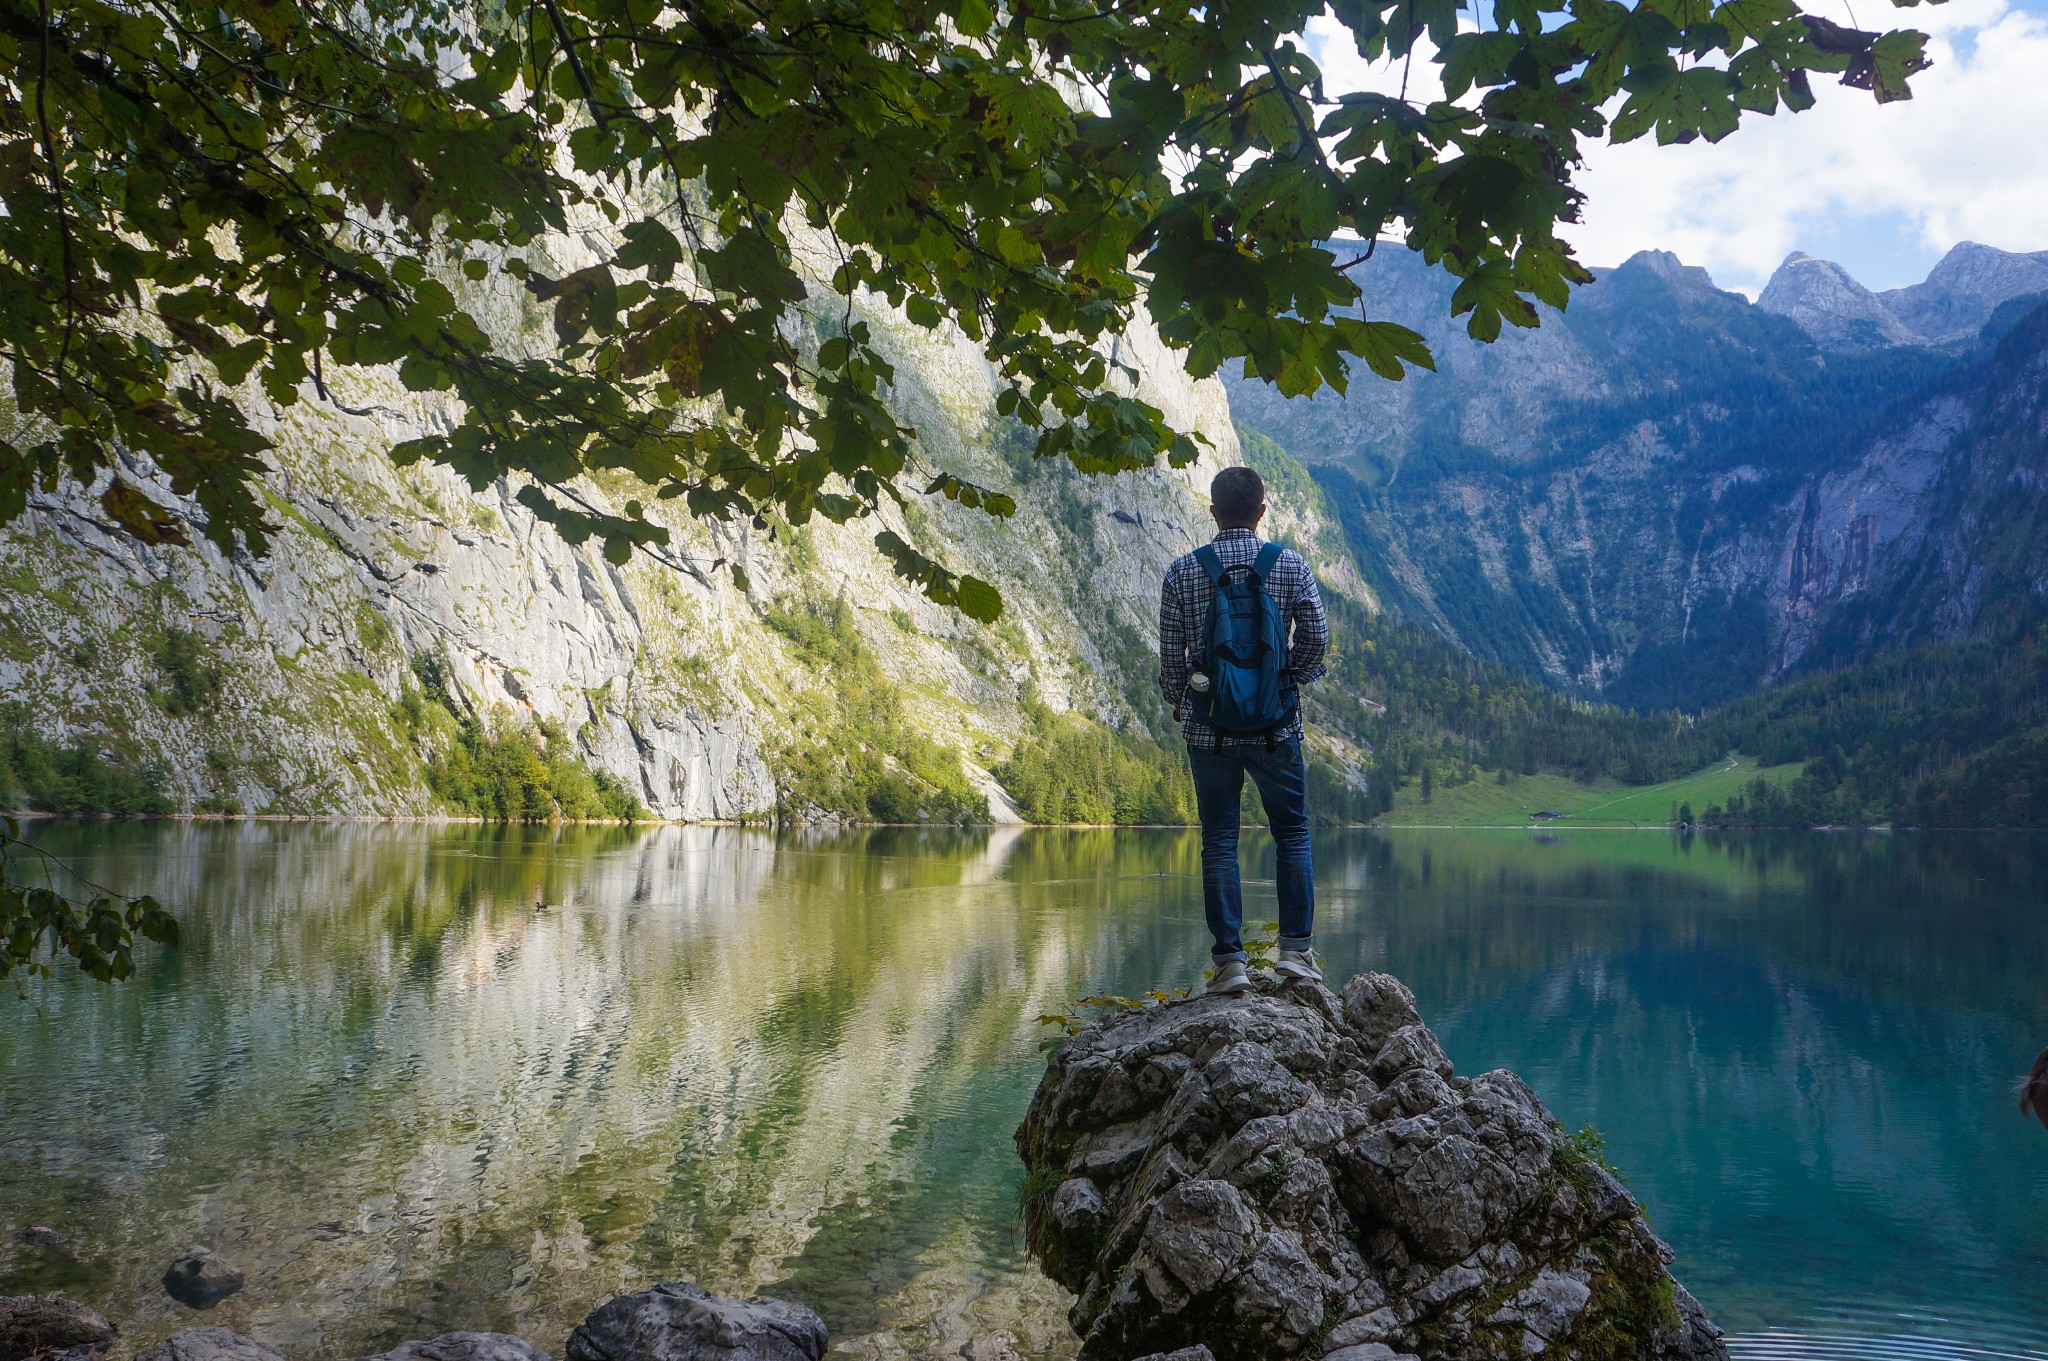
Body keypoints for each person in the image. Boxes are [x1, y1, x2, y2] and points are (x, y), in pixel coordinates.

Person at [1158, 465, 1330, 994]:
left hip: (1210, 731)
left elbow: (1171, 661)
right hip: (1277, 729)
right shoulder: (1290, 566)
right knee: (1293, 833)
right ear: (1261, 511)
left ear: (1213, 513)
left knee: (1219, 841)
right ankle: (1296, 956)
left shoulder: (1184, 572)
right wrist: (1285, 684)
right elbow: (1316, 640)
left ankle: (1231, 965)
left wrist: (1185, 701)